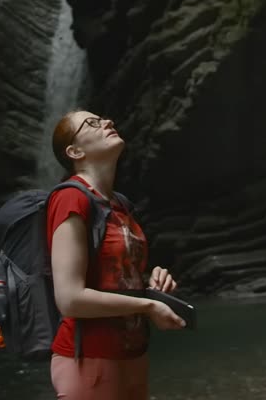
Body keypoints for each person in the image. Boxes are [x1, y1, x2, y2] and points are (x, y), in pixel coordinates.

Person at [46, 110, 185, 400]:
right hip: (89, 361)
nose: (108, 122)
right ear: (75, 151)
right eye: (92, 123)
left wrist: (151, 287)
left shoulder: (120, 205)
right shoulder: (70, 199)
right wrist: (147, 306)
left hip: (133, 355)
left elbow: (115, 278)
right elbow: (70, 299)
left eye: (105, 119)